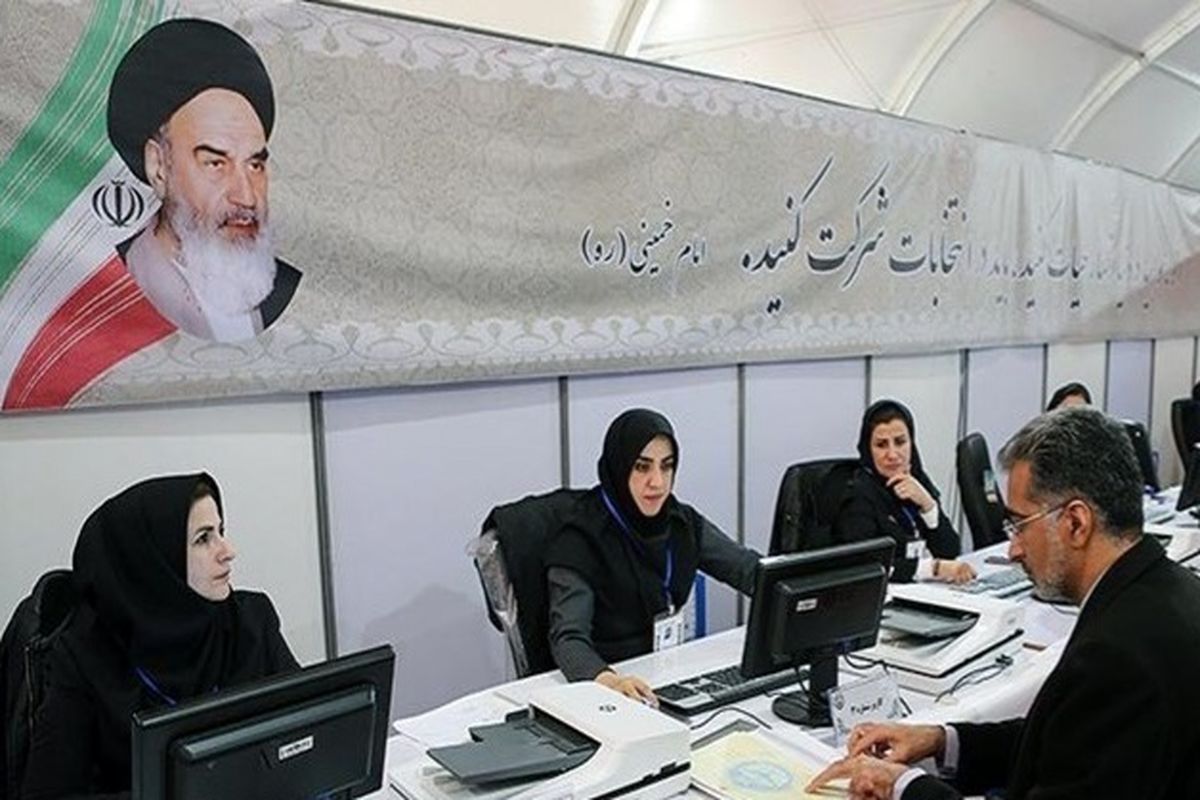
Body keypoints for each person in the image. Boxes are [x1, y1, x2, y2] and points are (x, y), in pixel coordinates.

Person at [806, 407, 1200, 800]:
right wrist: (940, 740)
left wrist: (903, 786)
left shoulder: (1117, 657)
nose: (1012, 550)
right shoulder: (1165, 591)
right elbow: (1062, 742)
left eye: (1020, 526)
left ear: (1076, 523)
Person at [3, 19, 302, 410]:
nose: (245, 196)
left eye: (255, 165)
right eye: (216, 163)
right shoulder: (107, 286)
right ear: (159, 166)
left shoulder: (287, 289)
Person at [22, 473, 298, 799]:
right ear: (152, 560)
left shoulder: (250, 620)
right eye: (203, 539)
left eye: (221, 532)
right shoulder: (84, 656)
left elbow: (310, 727)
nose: (228, 551)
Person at [543, 408, 760, 704]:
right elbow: (568, 638)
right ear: (620, 467)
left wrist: (807, 592)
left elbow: (748, 570)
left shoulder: (680, 522)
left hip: (665, 676)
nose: (657, 482)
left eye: (666, 466)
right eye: (642, 467)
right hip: (608, 689)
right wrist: (608, 680)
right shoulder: (580, 537)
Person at [834, 399, 974, 584]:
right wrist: (933, 568)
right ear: (868, 449)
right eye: (881, 445)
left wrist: (928, 505)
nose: (892, 454)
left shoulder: (916, 479)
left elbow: (950, 550)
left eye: (900, 442)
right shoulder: (857, 494)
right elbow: (868, 567)